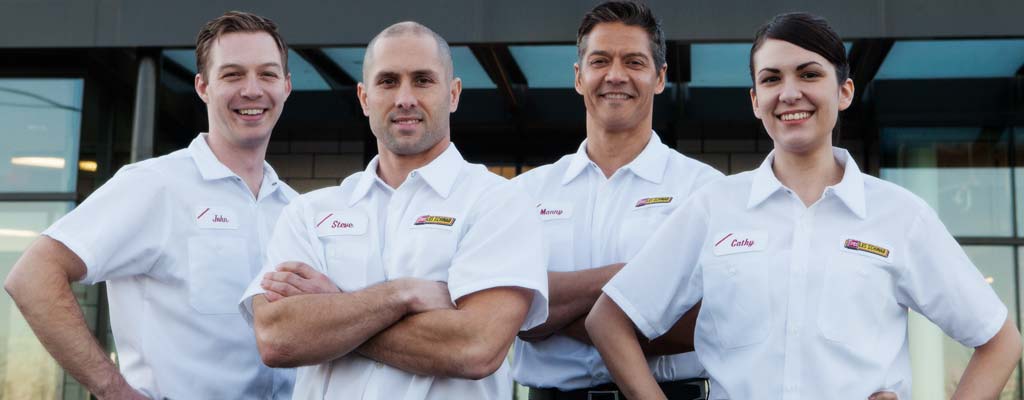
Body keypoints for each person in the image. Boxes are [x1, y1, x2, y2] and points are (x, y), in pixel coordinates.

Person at [587, 12, 1022, 400]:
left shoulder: (900, 215)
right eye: (772, 79)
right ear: (756, 100)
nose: (790, 93)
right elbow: (609, 320)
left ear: (845, 91)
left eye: (809, 74)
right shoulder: (713, 207)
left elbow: (1000, 340)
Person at [240, 21, 549, 400]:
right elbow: (277, 338)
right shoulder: (309, 212)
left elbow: (476, 347)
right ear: (364, 97)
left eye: (422, 80)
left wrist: (333, 311)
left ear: (452, 94)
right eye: (388, 81)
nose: (405, 98)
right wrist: (402, 295)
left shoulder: (497, 203)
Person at [4, 11, 297, 399]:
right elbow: (32, 276)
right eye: (232, 75)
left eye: (267, 74)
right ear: (203, 86)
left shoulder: (296, 209)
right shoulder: (154, 186)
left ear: (287, 86)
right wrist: (112, 389)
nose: (252, 89)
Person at [511, 2, 721, 399]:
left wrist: (551, 310)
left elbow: (705, 322)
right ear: (578, 77)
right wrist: (630, 280)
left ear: (659, 78)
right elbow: (510, 310)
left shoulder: (704, 190)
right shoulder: (524, 194)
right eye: (600, 60)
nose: (616, 76)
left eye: (634, 62)